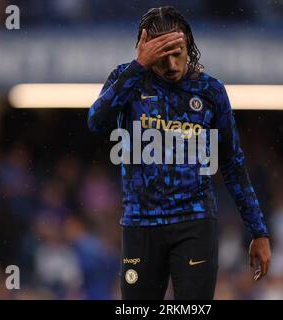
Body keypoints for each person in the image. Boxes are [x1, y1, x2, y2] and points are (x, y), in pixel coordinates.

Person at [87, 6, 271, 300]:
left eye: (179, 52)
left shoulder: (210, 91)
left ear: (190, 46)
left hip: (194, 223)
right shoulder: (128, 79)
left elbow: (232, 164)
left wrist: (258, 231)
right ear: (145, 51)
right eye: (162, 57)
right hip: (140, 224)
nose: (172, 65)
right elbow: (96, 122)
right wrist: (138, 67)